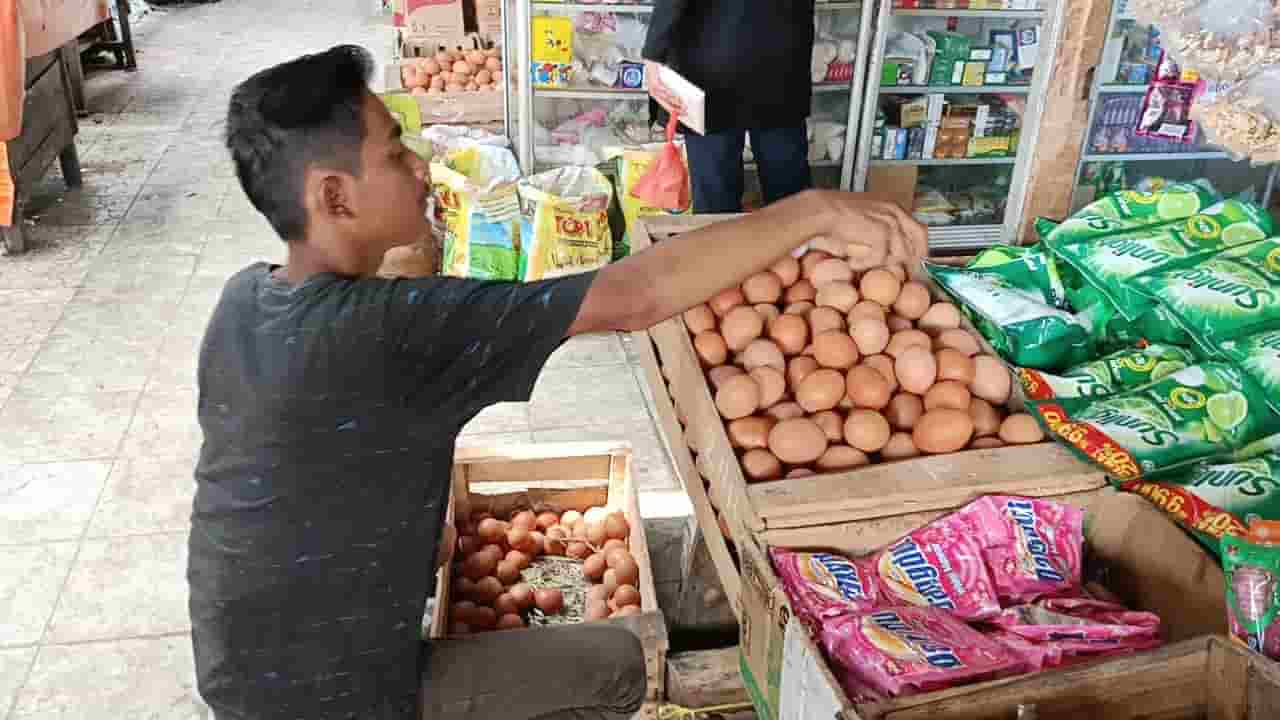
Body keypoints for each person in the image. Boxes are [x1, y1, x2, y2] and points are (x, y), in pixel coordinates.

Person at [189, 44, 925, 720]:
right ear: (334, 197)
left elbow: (314, 451)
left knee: (446, 548)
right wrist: (812, 209)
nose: (420, 166)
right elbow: (630, 298)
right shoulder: (387, 329)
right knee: (619, 662)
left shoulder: (246, 300)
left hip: (242, 671)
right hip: (339, 700)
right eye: (395, 152)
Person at [643, 0, 818, 214]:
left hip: (710, 59)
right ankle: (793, 244)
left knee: (715, 197)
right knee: (789, 192)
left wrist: (653, 54)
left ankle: (722, 245)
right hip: (780, 57)